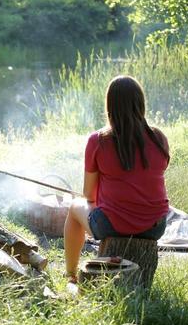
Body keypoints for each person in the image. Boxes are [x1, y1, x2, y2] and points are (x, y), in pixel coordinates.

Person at [64, 75, 169, 283]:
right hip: (155, 226)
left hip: (112, 225)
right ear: (141, 103)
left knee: (75, 207)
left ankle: (70, 274)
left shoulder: (98, 140)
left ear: (110, 105)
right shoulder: (159, 138)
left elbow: (88, 194)